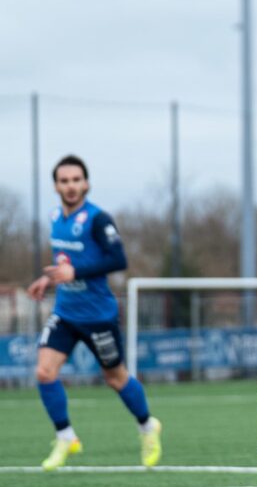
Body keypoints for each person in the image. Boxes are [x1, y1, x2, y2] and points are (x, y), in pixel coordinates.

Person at [26, 155, 162, 471]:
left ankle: (147, 427)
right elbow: (65, 262)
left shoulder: (99, 219)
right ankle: (65, 437)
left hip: (98, 315)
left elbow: (117, 260)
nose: (71, 186)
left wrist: (75, 273)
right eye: (64, 181)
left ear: (86, 183)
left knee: (115, 378)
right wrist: (48, 278)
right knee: (44, 372)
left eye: (76, 180)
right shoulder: (54, 217)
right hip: (65, 313)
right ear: (56, 185)